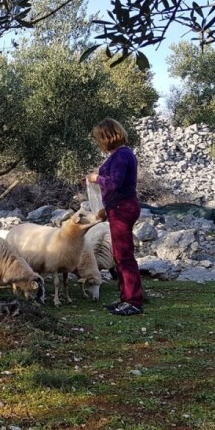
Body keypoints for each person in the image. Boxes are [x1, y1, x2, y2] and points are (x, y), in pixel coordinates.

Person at [87, 118, 144, 316]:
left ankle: (133, 301)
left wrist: (96, 178)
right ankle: (125, 298)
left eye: (99, 138)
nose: (99, 143)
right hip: (118, 207)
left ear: (107, 136)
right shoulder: (122, 154)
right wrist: (105, 208)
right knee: (119, 255)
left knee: (124, 256)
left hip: (123, 209)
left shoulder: (121, 156)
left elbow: (115, 183)